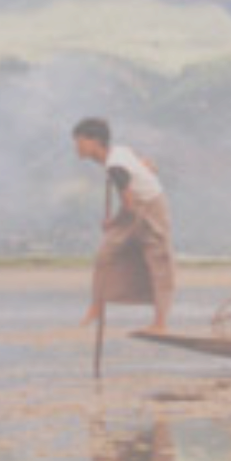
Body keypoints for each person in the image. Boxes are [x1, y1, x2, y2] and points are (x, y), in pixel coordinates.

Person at [73, 117, 176, 334]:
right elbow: (150, 164)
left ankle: (160, 324)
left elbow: (128, 205)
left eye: (80, 141)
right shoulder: (120, 152)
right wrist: (144, 168)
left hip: (151, 207)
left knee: (158, 261)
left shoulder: (115, 165)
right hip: (138, 206)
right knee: (105, 255)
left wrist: (113, 222)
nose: (77, 147)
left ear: (95, 141)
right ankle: (97, 306)